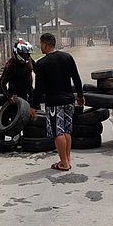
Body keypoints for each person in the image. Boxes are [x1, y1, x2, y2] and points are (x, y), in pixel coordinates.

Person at [32, 33, 84, 171]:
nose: (40, 46)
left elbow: (39, 88)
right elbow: (77, 79)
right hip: (69, 101)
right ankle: (66, 160)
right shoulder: (67, 57)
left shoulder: (41, 64)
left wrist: (34, 106)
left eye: (40, 44)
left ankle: (64, 163)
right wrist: (80, 95)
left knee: (57, 133)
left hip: (54, 102)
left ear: (45, 44)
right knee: (67, 130)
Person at [0, 39, 34, 104]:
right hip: (16, 96)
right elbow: (2, 83)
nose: (27, 56)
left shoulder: (30, 60)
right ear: (17, 53)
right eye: (24, 55)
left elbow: (38, 71)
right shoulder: (10, 65)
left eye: (28, 54)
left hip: (29, 92)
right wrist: (9, 97)